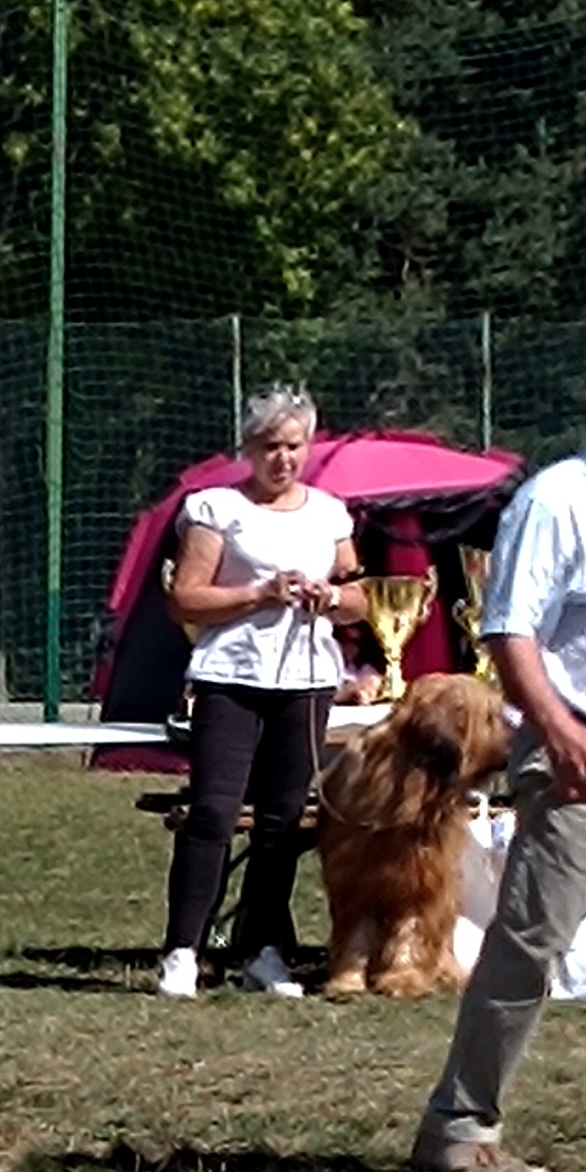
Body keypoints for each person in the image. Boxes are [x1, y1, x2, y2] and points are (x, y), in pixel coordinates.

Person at [411, 328, 586, 1172]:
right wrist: (562, 732)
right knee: (529, 946)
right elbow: (510, 633)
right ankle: (458, 1128)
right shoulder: (558, 501)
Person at [157, 385, 365, 998]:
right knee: (214, 813)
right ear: (248, 449)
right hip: (231, 676)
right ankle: (183, 950)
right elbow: (184, 599)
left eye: (294, 446)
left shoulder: (329, 515)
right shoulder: (215, 508)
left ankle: (264, 950)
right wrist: (257, 595)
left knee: (283, 820)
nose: (283, 458)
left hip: (306, 680)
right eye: (271, 446)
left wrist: (330, 597)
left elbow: (359, 600)